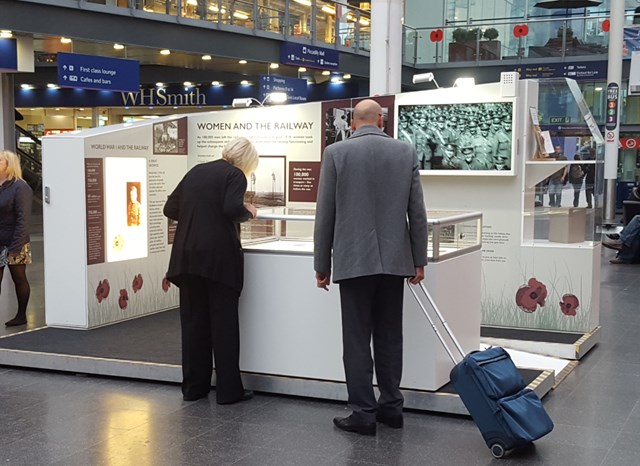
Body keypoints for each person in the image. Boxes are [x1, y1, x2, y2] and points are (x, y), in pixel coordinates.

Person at [314, 99, 428, 436]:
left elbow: (326, 216)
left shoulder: (336, 154)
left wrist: (322, 263)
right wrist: (418, 260)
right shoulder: (405, 152)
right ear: (381, 120)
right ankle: (392, 407)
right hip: (395, 261)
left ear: (352, 122)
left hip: (352, 260)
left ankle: (363, 411)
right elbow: (417, 213)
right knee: (391, 336)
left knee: (356, 339)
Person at [164, 137, 259, 403]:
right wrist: (249, 211)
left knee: (194, 323)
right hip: (218, 259)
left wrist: (199, 218)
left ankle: (194, 388)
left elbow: (169, 207)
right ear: (247, 160)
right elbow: (231, 208)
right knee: (223, 325)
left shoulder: (197, 171)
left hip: (187, 257)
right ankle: (229, 391)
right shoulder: (235, 175)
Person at [0, 150, 33, 327]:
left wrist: (16, 246)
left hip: (16, 241)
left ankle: (21, 315)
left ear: (9, 164)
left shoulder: (21, 187)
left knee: (18, 278)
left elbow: (23, 219)